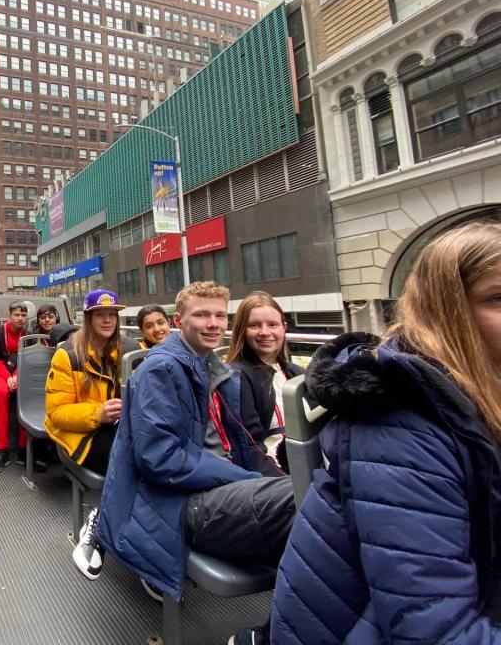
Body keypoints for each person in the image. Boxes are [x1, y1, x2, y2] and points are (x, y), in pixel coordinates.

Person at [269, 222, 501, 644]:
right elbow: (430, 627)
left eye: (275, 325)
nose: (266, 334)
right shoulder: (400, 426)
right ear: (447, 312)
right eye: (498, 298)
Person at [94, 281, 293, 599]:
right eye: (202, 315)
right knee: (305, 502)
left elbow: (241, 443)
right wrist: (247, 478)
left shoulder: (217, 371)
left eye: (219, 315)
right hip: (179, 501)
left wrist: (268, 476)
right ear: (178, 322)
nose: (213, 324)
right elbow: (161, 459)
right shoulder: (159, 370)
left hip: (218, 487)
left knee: (318, 492)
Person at [44, 289, 140, 579]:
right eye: (100, 314)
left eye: (112, 314)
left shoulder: (129, 348)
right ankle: (101, 526)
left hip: (122, 427)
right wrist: (97, 413)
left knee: (154, 458)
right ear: (88, 318)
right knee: (134, 463)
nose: (107, 319)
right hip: (80, 434)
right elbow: (56, 413)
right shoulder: (67, 355)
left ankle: (139, 539)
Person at [226, 293, 303, 469]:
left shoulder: (295, 372)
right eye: (254, 325)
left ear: (284, 327)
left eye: (272, 325)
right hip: (275, 476)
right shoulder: (237, 377)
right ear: (241, 330)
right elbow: (250, 446)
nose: (265, 332)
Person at [0, 301, 29, 475]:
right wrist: (9, 378)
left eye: (23, 315)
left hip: (20, 372)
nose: (20, 318)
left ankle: (24, 448)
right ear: (9, 315)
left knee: (27, 392)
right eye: (17, 315)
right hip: (0, 372)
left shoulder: (27, 334)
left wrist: (17, 376)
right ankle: (2, 450)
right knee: (0, 393)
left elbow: (26, 359)